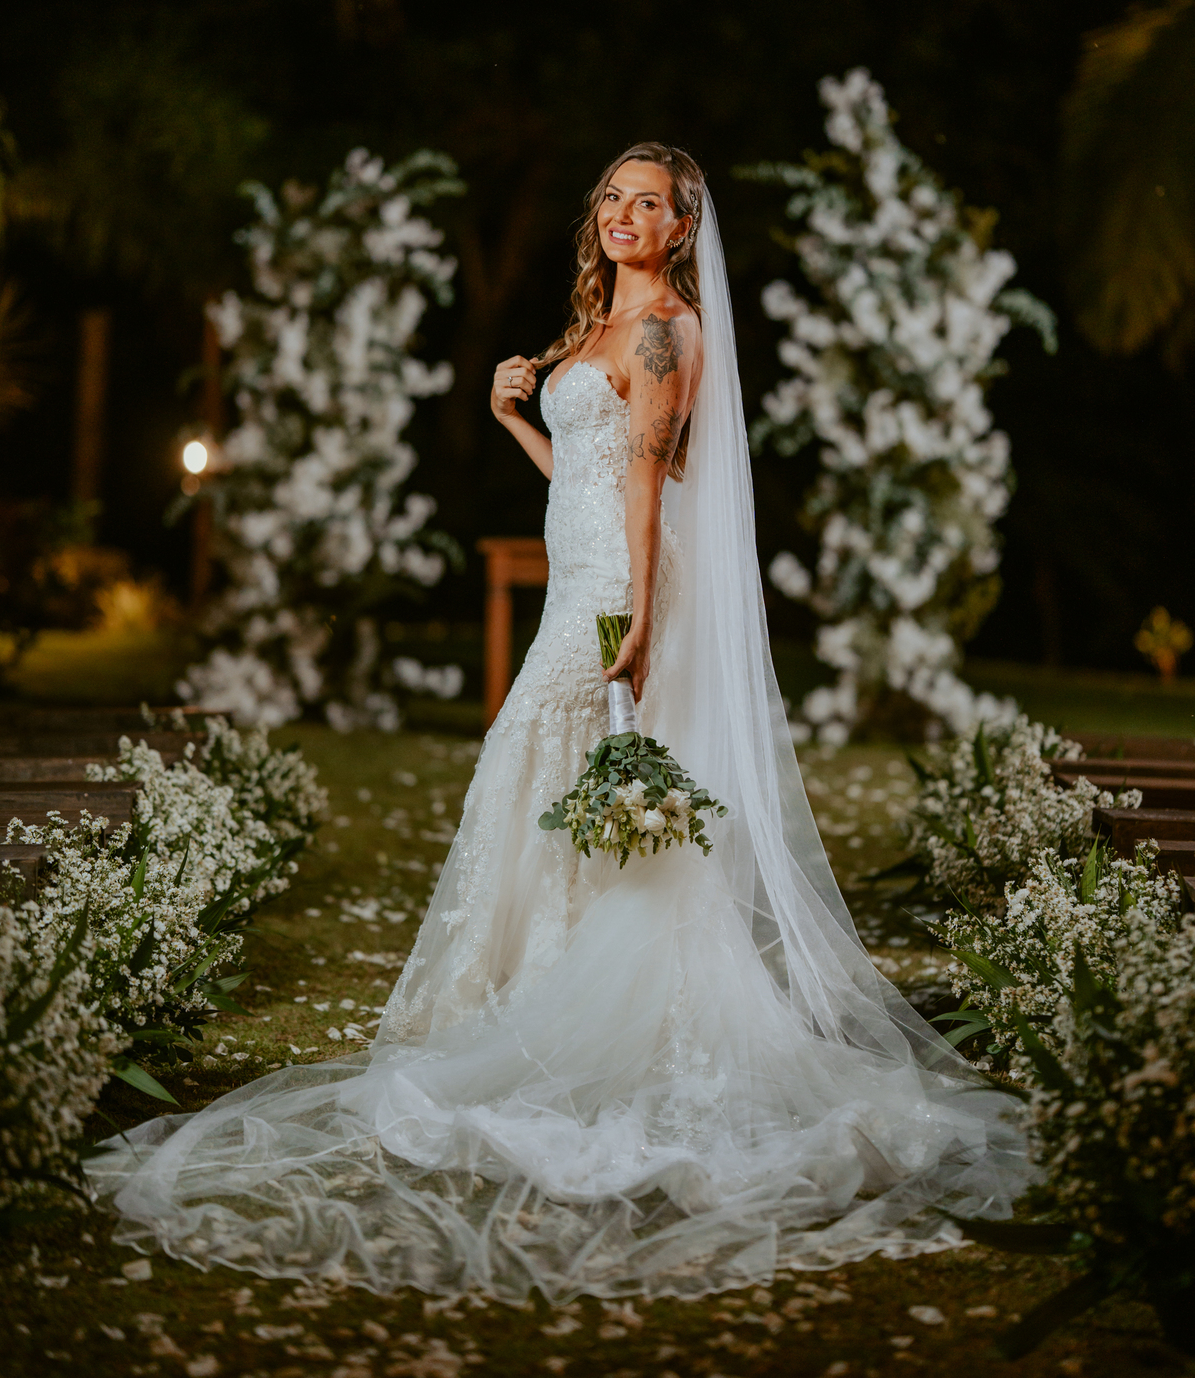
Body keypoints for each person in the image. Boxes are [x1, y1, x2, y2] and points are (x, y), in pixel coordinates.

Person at [91, 144, 1028, 1304]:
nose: (626, 214)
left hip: (616, 586)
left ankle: (569, 1003)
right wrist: (512, 424)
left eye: (650, 202)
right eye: (613, 199)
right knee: (545, 770)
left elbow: (645, 482)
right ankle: (543, 988)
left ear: (682, 226)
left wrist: (634, 611)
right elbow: (579, 474)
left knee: (543, 757)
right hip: (581, 570)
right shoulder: (589, 331)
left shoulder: (664, 331)